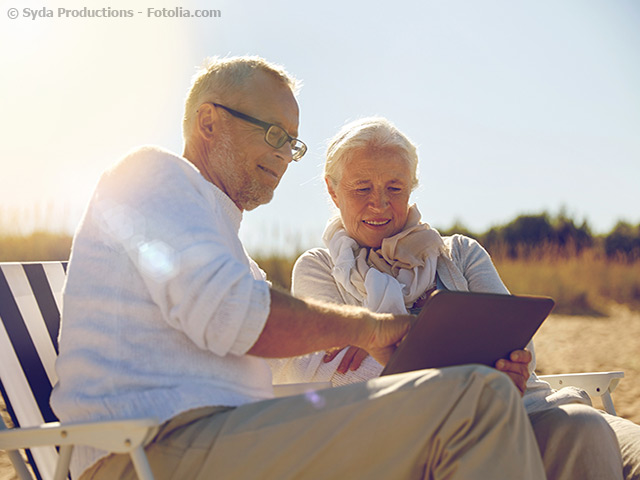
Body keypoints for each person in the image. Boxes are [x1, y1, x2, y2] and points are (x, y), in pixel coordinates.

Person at [51, 56, 547, 480]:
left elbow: (254, 329)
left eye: (292, 142)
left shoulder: (230, 249)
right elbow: (237, 316)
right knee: (475, 400)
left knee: (471, 409)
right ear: (209, 122)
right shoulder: (151, 174)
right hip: (151, 451)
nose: (284, 155)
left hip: (228, 440)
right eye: (272, 133)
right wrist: (373, 328)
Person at [271, 116, 640, 480]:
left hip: (518, 406)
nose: (380, 204)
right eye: (362, 188)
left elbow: (518, 345)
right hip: (408, 435)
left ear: (412, 189)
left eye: (395, 188)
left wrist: (384, 341)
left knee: (587, 425)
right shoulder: (318, 268)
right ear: (333, 191)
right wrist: (465, 362)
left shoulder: (460, 253)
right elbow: (339, 377)